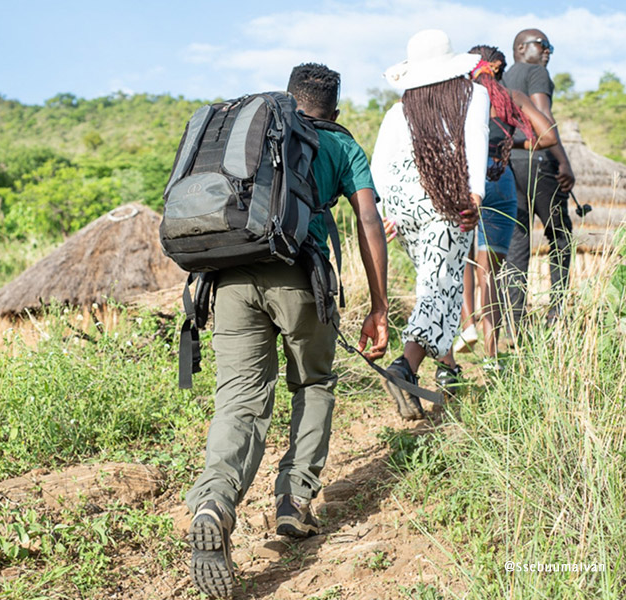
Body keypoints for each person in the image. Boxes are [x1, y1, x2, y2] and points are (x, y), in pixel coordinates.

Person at [186, 63, 390, 599]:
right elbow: (369, 221)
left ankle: (214, 500)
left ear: (288, 97)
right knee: (314, 383)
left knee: (239, 402)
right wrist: (379, 305)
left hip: (229, 279)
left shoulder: (254, 136)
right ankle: (294, 503)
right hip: (302, 279)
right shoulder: (341, 146)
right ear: (334, 109)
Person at [370, 29, 489, 419]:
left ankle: (449, 371)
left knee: (434, 285)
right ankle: (405, 368)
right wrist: (474, 196)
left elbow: (380, 166)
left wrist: (386, 211)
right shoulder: (472, 95)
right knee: (443, 287)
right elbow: (477, 140)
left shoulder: (397, 110)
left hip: (404, 209)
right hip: (446, 200)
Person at [454, 46, 559, 368]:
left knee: (461, 262)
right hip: (500, 180)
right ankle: (491, 353)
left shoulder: (460, 96)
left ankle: (466, 327)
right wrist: (508, 142)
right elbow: (548, 137)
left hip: (465, 179)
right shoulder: (512, 96)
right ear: (498, 67)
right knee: (492, 272)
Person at [501, 28, 575, 329]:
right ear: (521, 47)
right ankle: (556, 314)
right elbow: (544, 118)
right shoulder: (536, 73)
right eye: (543, 45)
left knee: (517, 239)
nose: (547, 52)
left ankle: (513, 322)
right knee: (561, 235)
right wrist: (564, 161)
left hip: (508, 165)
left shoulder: (501, 80)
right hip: (539, 161)